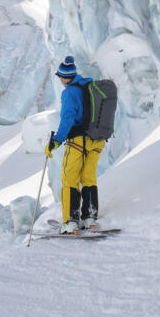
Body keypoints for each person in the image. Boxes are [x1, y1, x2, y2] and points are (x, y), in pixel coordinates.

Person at [45, 56, 105, 234]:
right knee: (88, 178)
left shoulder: (70, 92)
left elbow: (67, 119)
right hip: (97, 140)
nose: (60, 80)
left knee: (69, 179)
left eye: (60, 77)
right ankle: (90, 218)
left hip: (78, 141)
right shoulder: (91, 86)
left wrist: (56, 140)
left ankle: (70, 222)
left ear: (65, 77)